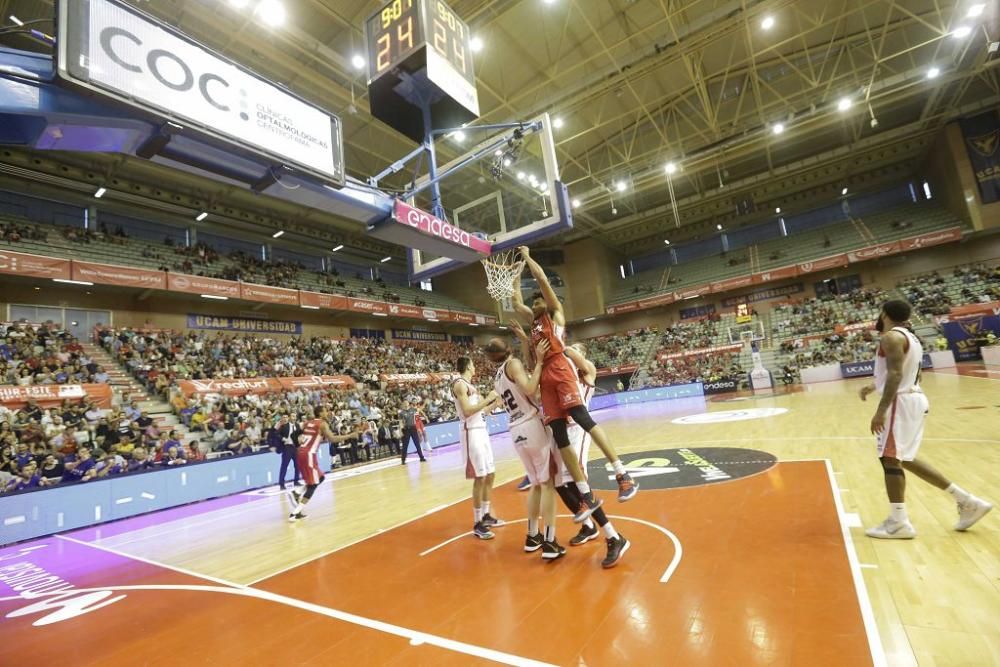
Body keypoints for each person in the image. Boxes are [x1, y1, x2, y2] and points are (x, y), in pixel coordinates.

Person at [511, 246, 637, 510]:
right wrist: (515, 273)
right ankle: (584, 493)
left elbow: (543, 281)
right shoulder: (532, 323)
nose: (535, 304)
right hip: (545, 376)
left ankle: (622, 473)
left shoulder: (554, 314)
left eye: (537, 302)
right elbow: (514, 303)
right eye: (533, 302)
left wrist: (527, 257)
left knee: (583, 418)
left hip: (559, 369)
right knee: (558, 434)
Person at [860, 300, 992, 539]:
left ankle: (898, 523)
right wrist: (872, 386)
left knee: (890, 459)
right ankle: (967, 501)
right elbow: (903, 370)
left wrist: (880, 410)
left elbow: (897, 373)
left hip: (901, 401)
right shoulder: (910, 336)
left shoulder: (891, 337)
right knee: (904, 458)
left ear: (884, 314)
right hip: (913, 397)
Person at [486, 335, 565, 559]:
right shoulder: (513, 364)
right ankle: (550, 542)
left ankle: (532, 536)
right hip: (530, 425)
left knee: (536, 484)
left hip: (515, 429)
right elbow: (531, 389)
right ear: (508, 349)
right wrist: (540, 361)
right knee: (548, 484)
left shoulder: (498, 375)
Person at [451, 356, 502, 539]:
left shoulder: (471, 387)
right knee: (480, 477)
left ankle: (486, 515)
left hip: (481, 429)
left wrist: (494, 404)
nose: (475, 366)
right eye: (473, 364)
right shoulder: (459, 384)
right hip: (471, 432)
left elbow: (480, 413)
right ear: (467, 366)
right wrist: (488, 398)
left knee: (490, 474)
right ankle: (477, 523)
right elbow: (466, 412)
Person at [287, 406, 356, 522]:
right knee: (313, 485)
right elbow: (333, 439)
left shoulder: (307, 423)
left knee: (321, 478)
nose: (327, 412)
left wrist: (299, 446)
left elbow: (293, 435)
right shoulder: (322, 424)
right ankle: (295, 513)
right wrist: (350, 435)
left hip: (301, 453)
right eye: (325, 411)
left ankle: (297, 492)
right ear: (320, 413)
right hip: (309, 455)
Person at [270, 414, 300, 490]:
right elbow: (276, 434)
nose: (294, 417)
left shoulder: (297, 425)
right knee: (284, 466)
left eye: (294, 416)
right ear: (290, 418)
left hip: (295, 447)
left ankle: (296, 481)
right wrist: (283, 438)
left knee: (298, 465)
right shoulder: (285, 426)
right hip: (287, 447)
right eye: (292, 416)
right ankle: (282, 484)